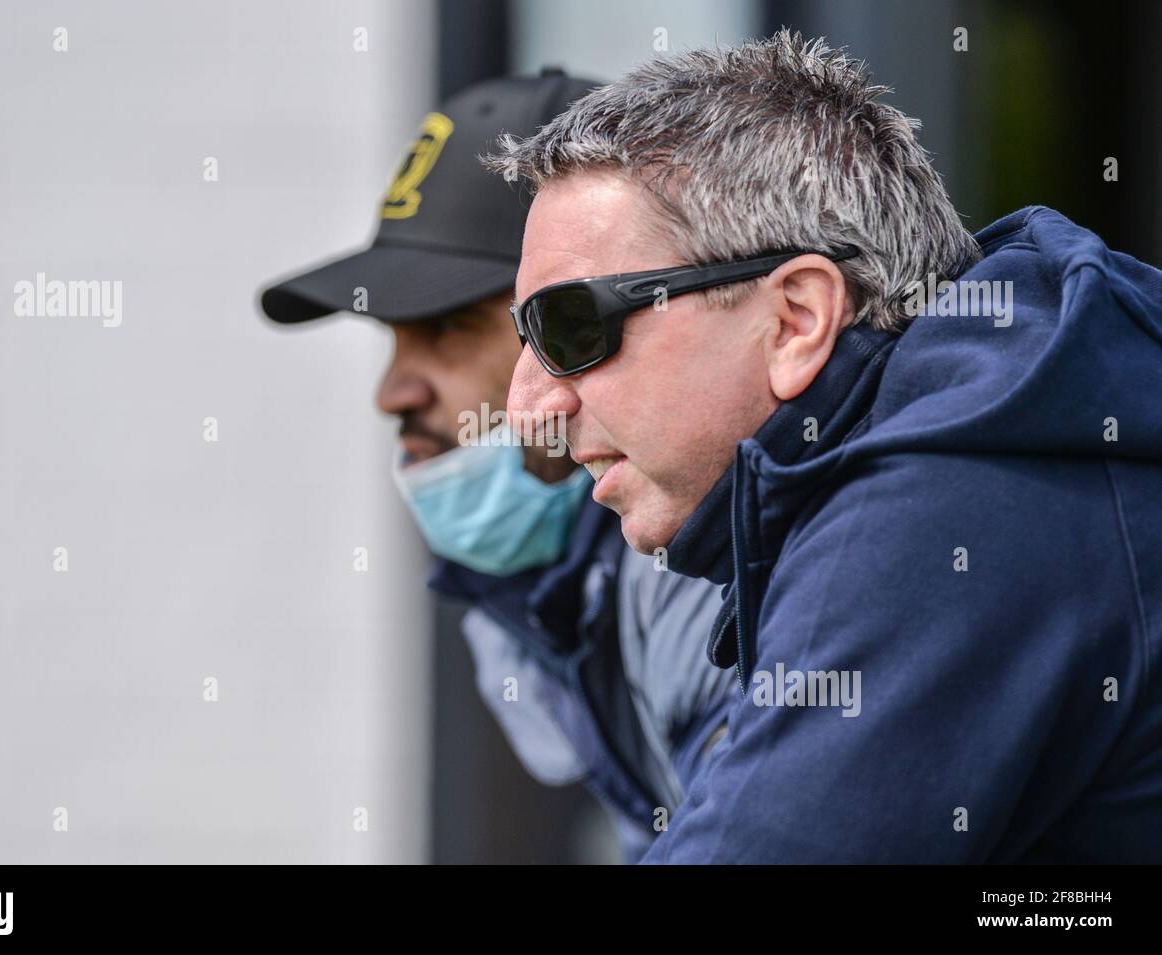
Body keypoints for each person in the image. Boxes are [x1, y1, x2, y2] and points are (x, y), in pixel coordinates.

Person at [490, 30, 1162, 863]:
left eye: (573, 326)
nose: (528, 409)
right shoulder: (958, 435)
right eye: (524, 337)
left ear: (797, 318)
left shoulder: (950, 503)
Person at [258, 71, 734, 860]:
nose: (392, 392)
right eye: (391, 339)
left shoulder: (706, 566)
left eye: (447, 327)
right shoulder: (525, 598)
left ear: (585, 325)